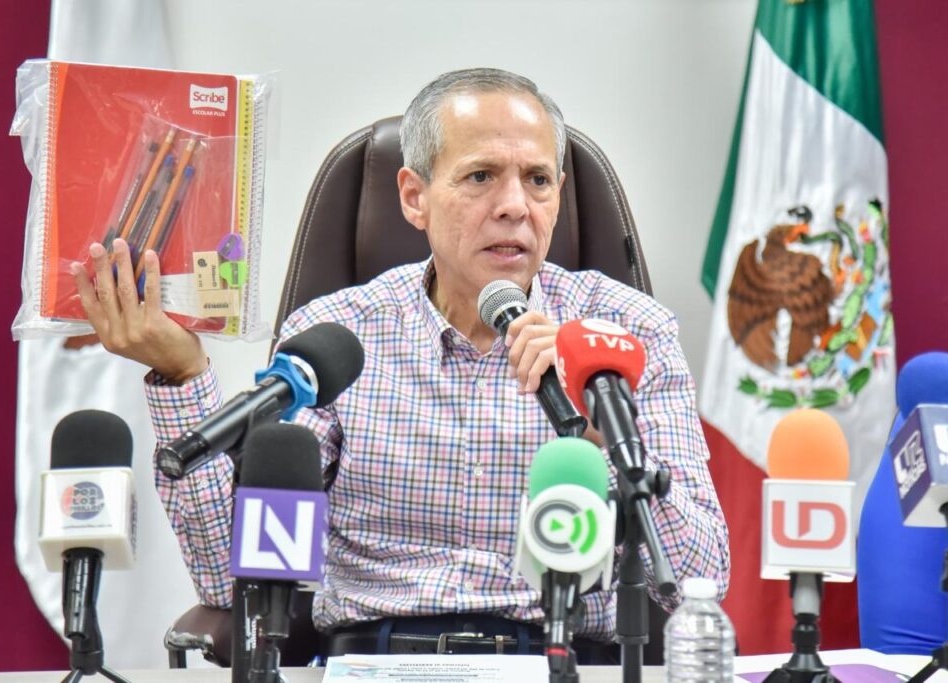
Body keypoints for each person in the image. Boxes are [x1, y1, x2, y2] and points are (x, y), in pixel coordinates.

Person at [69, 68, 730, 659]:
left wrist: (598, 427)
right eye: (480, 176)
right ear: (414, 197)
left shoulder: (629, 332)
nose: (514, 206)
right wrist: (184, 374)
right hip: (377, 660)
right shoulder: (338, 336)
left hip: (561, 655)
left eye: (537, 180)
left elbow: (699, 578)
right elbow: (230, 576)